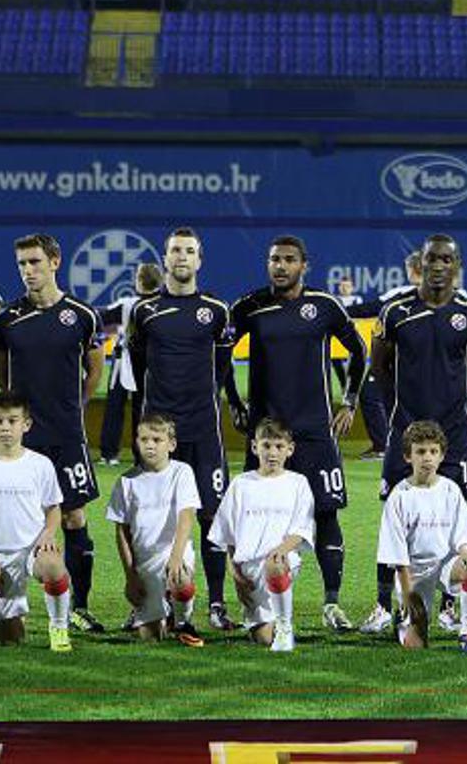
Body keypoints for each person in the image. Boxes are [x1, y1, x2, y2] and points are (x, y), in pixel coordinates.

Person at [226, 236, 367, 632]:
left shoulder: (324, 306)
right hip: (266, 435)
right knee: (255, 517)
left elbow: (359, 350)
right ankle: (257, 606)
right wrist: (234, 401)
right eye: (274, 259)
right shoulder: (249, 307)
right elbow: (220, 353)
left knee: (326, 512)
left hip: (315, 431)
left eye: (289, 260)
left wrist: (349, 401)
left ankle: (332, 604)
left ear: (304, 265)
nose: (280, 266)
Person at [358, 235, 467, 635]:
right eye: (432, 258)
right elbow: (379, 366)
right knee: (393, 516)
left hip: (454, 434)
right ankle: (383, 605)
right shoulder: (395, 312)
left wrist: (459, 396)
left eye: (446, 259)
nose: (438, 265)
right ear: (421, 263)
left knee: (454, 517)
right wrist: (399, 408)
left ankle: (448, 606)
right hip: (405, 432)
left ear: (457, 265)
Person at [0, 233, 105, 633]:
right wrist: (16, 416)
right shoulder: (6, 318)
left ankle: (79, 607)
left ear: (55, 262)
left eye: (35, 262)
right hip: (22, 439)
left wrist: (76, 405)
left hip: (67, 435)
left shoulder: (82, 315)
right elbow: (1, 372)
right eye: (22, 264)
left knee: (73, 516)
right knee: (9, 519)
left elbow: (95, 368)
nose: (28, 270)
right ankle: (4, 605)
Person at [124, 227, 235, 632]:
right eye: (175, 251)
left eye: (189, 251)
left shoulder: (216, 310)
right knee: (150, 519)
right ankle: (150, 601)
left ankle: (217, 604)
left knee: (212, 515)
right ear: (165, 258)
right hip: (159, 431)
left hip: (203, 429)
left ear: (199, 259)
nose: (182, 257)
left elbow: (222, 368)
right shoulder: (144, 311)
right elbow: (139, 369)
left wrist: (212, 399)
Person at [0, 393, 74, 652]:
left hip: (33, 549)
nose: (5, 427)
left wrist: (48, 534)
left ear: (26, 424)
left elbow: (53, 508)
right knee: (11, 642)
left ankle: (59, 627)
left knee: (53, 564)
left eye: (12, 421)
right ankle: (12, 617)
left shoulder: (40, 464)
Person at [375, 420, 467, 655]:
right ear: (408, 456)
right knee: (416, 645)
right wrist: (409, 598)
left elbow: (463, 534)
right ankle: (403, 619)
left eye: (433, 451)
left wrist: (466, 552)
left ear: (441, 456)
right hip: (413, 572)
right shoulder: (399, 497)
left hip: (444, 564)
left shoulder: (450, 490)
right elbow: (398, 559)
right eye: (421, 452)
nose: (427, 458)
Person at [207, 419, 316, 651]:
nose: (272, 453)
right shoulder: (240, 484)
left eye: (279, 446)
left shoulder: (298, 483)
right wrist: (235, 573)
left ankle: (285, 627)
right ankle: (270, 622)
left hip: (282, 561)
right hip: (249, 571)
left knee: (274, 565)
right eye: (266, 445)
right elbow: (227, 536)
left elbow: (302, 531)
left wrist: (280, 551)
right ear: (255, 447)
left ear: (290, 449)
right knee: (264, 638)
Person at [104, 412, 202, 644]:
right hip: (144, 562)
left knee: (180, 580)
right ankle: (164, 614)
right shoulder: (126, 482)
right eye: (144, 439)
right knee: (150, 637)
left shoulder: (181, 472)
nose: (150, 445)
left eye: (157, 440)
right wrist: (130, 576)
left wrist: (176, 557)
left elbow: (187, 516)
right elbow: (122, 532)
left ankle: (183, 622)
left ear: (171, 444)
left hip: (172, 553)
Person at [351, 251, 425, 460]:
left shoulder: (402, 293)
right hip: (424, 361)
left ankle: (383, 446)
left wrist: (338, 311)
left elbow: (371, 308)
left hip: (395, 359)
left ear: (412, 269)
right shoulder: (448, 294)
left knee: (370, 395)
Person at [98, 263, 163, 466]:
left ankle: (109, 453)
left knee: (115, 407)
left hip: (125, 361)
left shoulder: (128, 304)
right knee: (143, 407)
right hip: (152, 364)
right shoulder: (165, 305)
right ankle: (142, 455)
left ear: (139, 281)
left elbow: (99, 317)